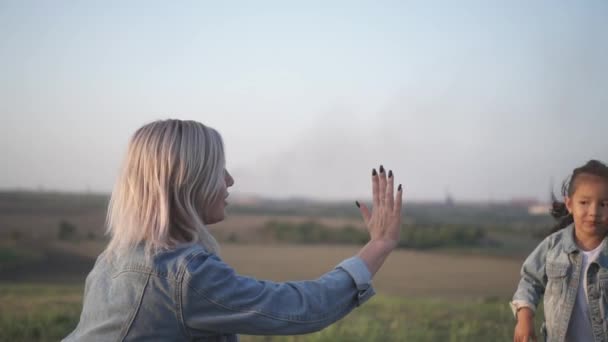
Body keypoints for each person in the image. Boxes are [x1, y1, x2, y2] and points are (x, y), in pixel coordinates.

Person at [63, 119, 404, 341]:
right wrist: (380, 244)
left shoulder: (111, 262)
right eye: (218, 169)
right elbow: (301, 309)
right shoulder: (184, 276)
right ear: (188, 181)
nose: (229, 180)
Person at [511, 159, 608, 342]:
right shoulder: (553, 246)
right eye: (584, 202)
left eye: (604, 204)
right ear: (570, 204)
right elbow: (530, 280)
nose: (594, 211)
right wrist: (524, 318)